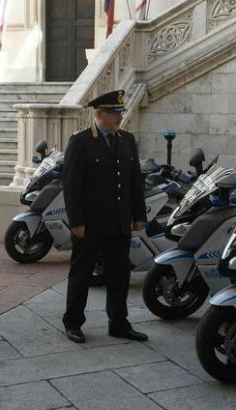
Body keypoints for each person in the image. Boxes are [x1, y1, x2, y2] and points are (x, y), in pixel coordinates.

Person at [62, 89, 148, 343]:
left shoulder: (127, 140)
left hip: (119, 222)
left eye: (120, 112)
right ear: (99, 115)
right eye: (114, 113)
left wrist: (138, 215)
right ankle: (73, 323)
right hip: (90, 224)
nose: (119, 117)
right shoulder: (81, 142)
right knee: (82, 274)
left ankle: (119, 323)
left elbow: (135, 181)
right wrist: (76, 222)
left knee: (120, 275)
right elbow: (72, 186)